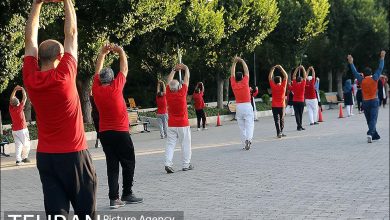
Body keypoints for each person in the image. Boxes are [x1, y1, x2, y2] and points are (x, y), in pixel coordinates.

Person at [22, 0, 96, 218]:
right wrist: (67, 1)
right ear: (59, 58)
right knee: (85, 213)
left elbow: (29, 40)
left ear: (39, 58)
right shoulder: (65, 75)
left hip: (46, 158)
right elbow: (71, 33)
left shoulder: (31, 78)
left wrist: (37, 3)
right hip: (74, 155)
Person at [92, 43, 143, 208]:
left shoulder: (96, 89)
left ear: (100, 79)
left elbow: (96, 71)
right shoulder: (116, 87)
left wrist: (102, 54)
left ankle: (114, 199)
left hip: (105, 133)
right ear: (113, 79)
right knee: (129, 162)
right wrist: (120, 51)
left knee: (112, 165)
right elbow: (124, 68)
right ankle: (127, 193)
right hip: (121, 132)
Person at [347, 50, 385, 143]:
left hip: (365, 102)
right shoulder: (375, 78)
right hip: (374, 100)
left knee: (369, 119)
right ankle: (370, 133)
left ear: (363, 74)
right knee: (373, 119)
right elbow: (380, 68)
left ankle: (374, 135)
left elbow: (354, 72)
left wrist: (351, 63)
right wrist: (382, 58)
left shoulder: (361, 80)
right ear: (371, 73)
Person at [164, 63, 193, 173]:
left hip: (171, 124)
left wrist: (173, 70)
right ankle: (186, 164)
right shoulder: (182, 93)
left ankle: (168, 163)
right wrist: (186, 68)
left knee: (170, 145)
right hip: (183, 124)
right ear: (178, 87)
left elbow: (168, 81)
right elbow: (187, 79)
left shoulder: (168, 93)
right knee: (185, 144)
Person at [230, 57, 253, 150]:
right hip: (247, 105)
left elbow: (231, 74)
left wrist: (234, 63)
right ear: (243, 77)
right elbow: (246, 71)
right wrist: (242, 61)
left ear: (236, 78)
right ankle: (248, 139)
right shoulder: (245, 82)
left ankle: (244, 143)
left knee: (241, 126)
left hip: (238, 106)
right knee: (250, 124)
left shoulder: (233, 84)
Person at [9, 85, 31, 166]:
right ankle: (25, 157)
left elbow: (11, 99)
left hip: (15, 130)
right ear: (18, 102)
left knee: (18, 145)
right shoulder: (20, 107)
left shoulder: (11, 109)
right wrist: (22, 89)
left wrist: (15, 89)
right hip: (22, 130)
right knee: (27, 144)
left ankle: (18, 160)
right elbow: (24, 98)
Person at [268, 65, 288, 138]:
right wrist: (281, 68)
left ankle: (278, 133)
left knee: (276, 120)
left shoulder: (273, 86)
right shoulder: (283, 86)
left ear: (275, 81)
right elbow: (286, 76)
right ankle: (281, 132)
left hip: (274, 106)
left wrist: (272, 69)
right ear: (280, 81)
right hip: (282, 106)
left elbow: (270, 77)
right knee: (282, 119)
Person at [290, 65, 308, 131]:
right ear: (301, 80)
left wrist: (297, 68)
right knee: (300, 114)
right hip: (301, 101)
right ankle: (300, 126)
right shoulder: (303, 84)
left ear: (296, 80)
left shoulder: (294, 83)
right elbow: (305, 76)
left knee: (297, 114)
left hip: (295, 101)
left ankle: (299, 126)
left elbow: (293, 76)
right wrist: (303, 68)